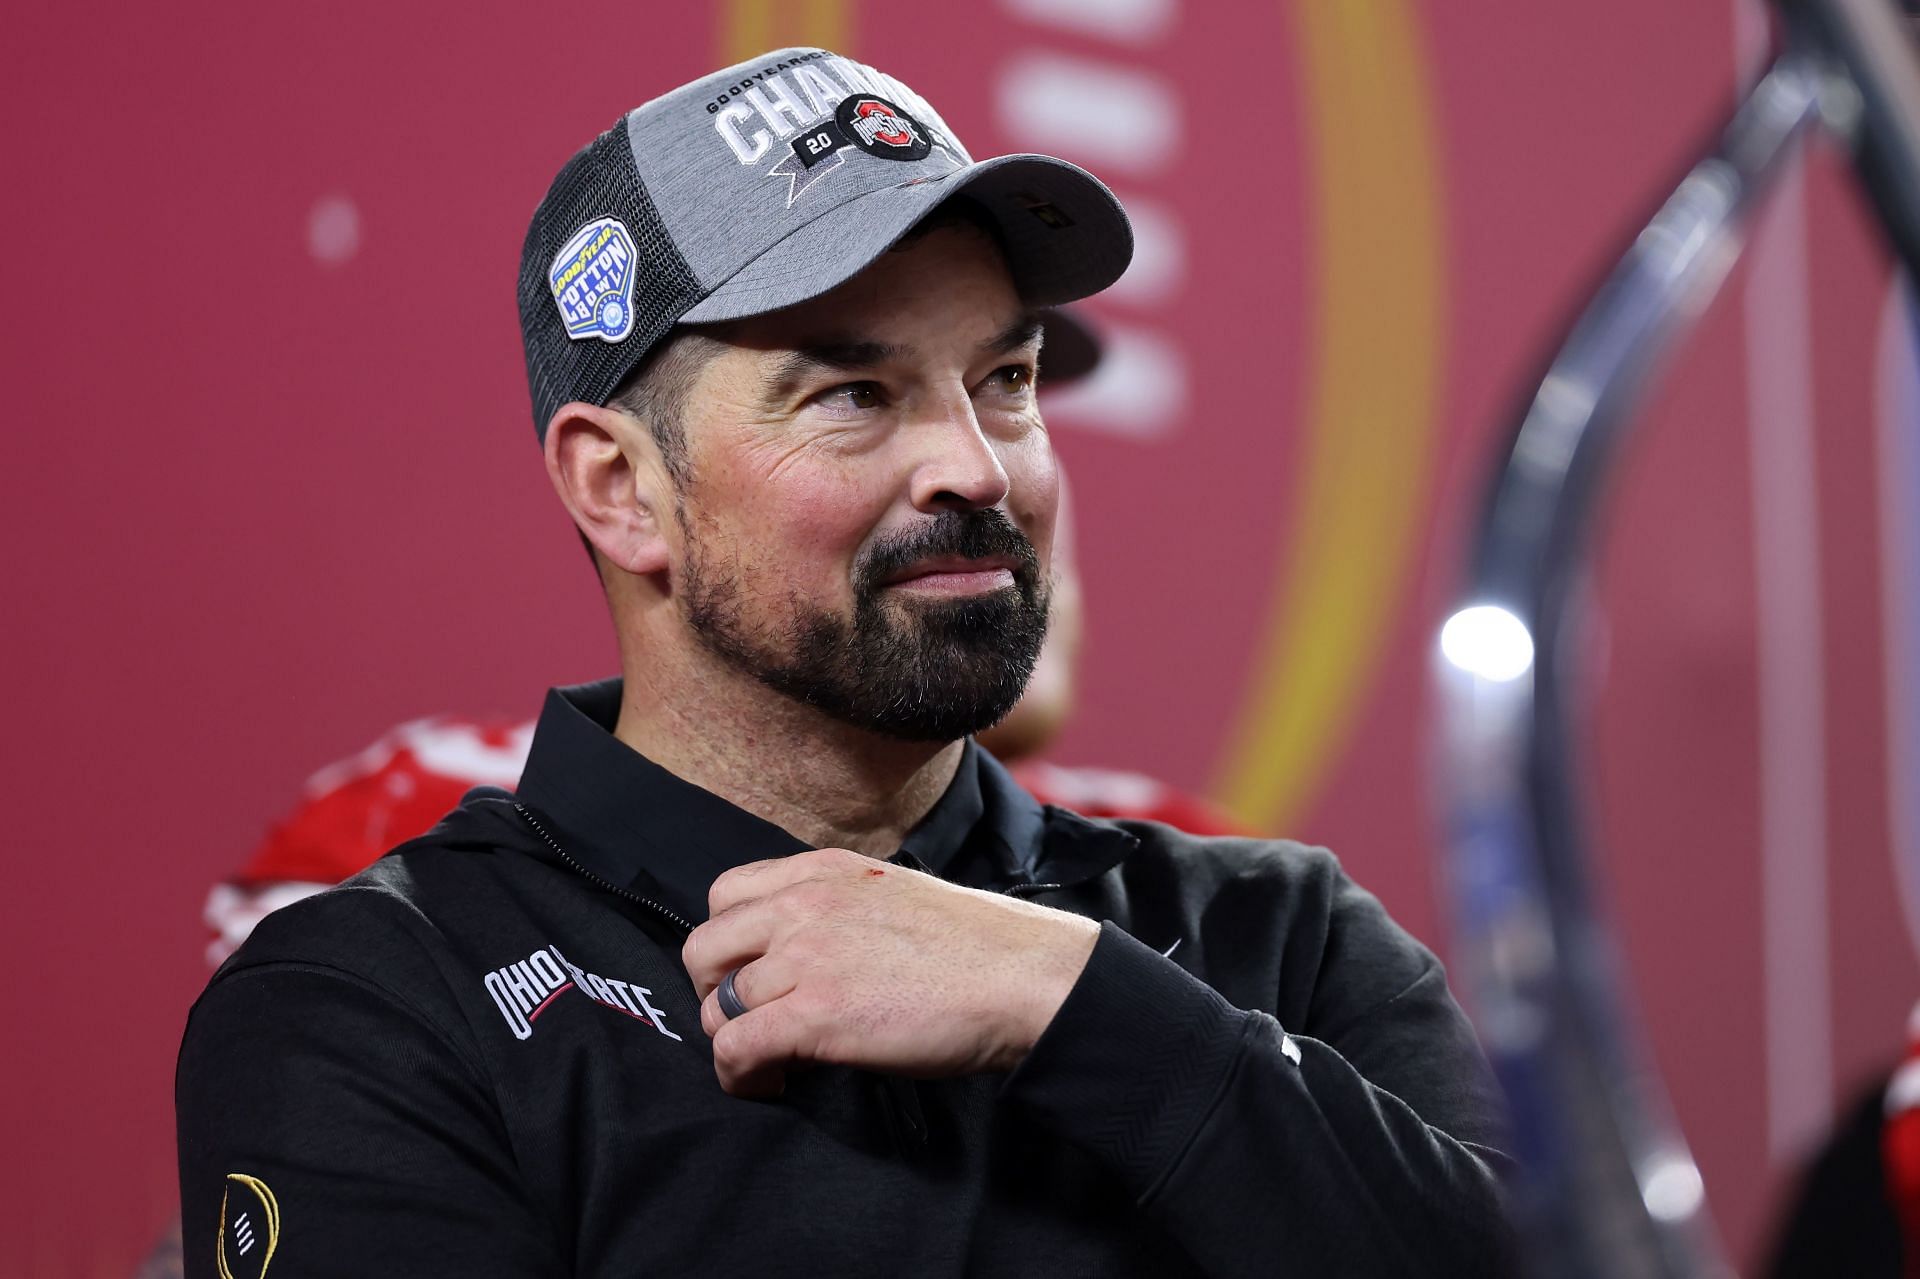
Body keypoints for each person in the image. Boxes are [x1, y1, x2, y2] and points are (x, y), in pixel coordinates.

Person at [176, 46, 1513, 1277]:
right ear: (620, 488)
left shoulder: (1283, 939)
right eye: (853, 395)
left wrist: (1078, 1003)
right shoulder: (380, 1002)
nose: (978, 467)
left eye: (1007, 379)